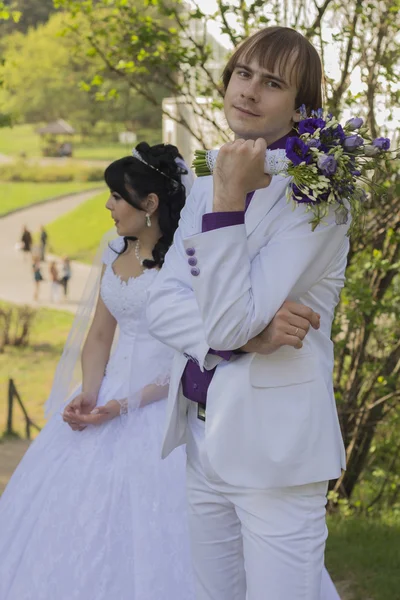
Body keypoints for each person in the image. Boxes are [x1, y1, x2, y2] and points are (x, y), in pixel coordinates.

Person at [147, 26, 348, 600]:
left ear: (301, 106)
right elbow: (164, 301)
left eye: (273, 82)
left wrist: (230, 203)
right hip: (202, 439)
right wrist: (244, 340)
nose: (250, 90)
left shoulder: (318, 198)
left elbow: (229, 318)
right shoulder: (213, 170)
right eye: (243, 73)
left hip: (275, 453)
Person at [0, 143, 196, 600]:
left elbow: (184, 354)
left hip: (161, 406)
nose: (107, 205)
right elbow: (100, 337)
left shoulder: (186, 264)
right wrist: (91, 393)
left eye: (116, 196)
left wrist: (125, 403)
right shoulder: (115, 252)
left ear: (150, 204)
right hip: (104, 398)